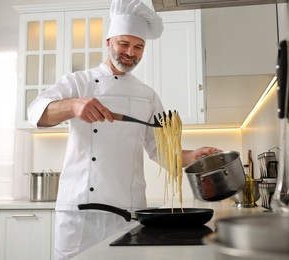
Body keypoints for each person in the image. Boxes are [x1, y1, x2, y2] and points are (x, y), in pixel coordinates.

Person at [28, 0, 221, 259]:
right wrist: (73, 105)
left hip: (127, 213)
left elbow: (161, 150)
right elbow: (35, 112)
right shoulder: (78, 83)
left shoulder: (147, 95)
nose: (131, 52)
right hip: (79, 214)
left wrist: (192, 156)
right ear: (108, 42)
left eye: (139, 47)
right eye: (124, 44)